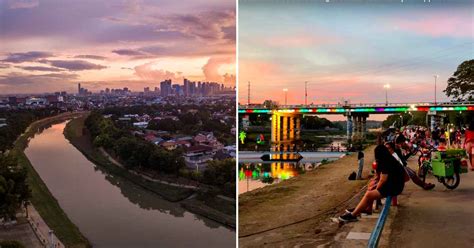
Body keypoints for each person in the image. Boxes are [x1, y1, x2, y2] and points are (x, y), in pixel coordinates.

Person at [338, 145, 405, 222]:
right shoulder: (389, 159)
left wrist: (376, 188)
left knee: (369, 194)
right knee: (370, 189)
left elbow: (383, 180)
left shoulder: (386, 162)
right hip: (395, 184)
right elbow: (382, 178)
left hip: (395, 187)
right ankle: (364, 209)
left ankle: (353, 215)